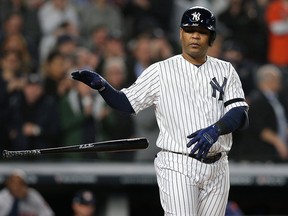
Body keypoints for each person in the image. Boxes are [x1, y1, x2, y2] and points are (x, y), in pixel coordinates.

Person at [72, 6, 249, 215]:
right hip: (178, 163)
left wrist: (216, 129)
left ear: (211, 37)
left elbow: (240, 114)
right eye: (190, 30)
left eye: (201, 32)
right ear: (181, 34)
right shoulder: (160, 70)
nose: (195, 36)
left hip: (218, 165)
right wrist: (103, 86)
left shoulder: (225, 69)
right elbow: (126, 103)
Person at [235, 64, 288, 162]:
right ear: (269, 80)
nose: (280, 82)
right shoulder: (256, 100)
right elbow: (259, 127)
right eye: (278, 79)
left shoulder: (276, 99)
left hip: (273, 152)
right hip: (258, 153)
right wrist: (278, 142)